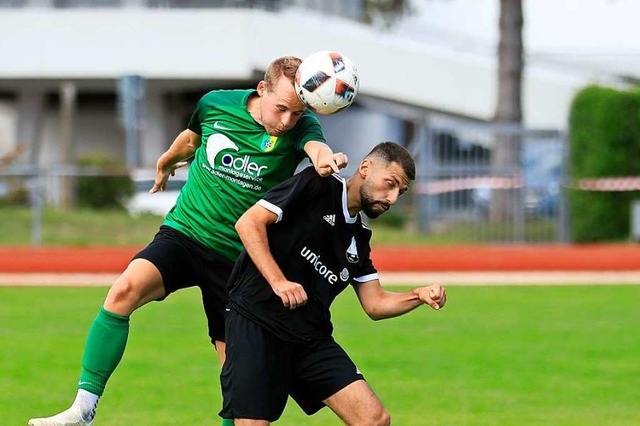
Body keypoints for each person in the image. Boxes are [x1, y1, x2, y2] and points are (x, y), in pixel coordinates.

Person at [28, 56, 348, 426]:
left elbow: (316, 149)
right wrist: (166, 160)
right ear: (262, 90)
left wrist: (326, 161)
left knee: (235, 367)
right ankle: (82, 409)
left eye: (296, 113)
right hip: (185, 233)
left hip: (239, 261)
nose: (287, 121)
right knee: (122, 293)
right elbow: (193, 139)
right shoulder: (215, 104)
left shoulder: (303, 126)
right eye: (282, 110)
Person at [221, 141, 447, 425]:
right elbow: (248, 223)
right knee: (252, 423)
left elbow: (375, 304)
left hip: (309, 337)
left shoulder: (359, 237)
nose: (392, 199)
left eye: (400, 192)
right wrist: (279, 282)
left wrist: (418, 295)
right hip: (257, 320)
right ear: (365, 168)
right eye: (389, 184)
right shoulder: (318, 184)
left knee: (374, 420)